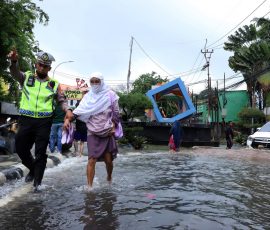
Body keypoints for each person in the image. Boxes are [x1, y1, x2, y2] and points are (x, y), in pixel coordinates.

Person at [8, 50, 73, 191]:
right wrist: (14, 62)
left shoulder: (54, 84)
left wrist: (68, 110)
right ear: (36, 64)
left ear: (49, 68)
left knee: (40, 153)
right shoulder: (26, 77)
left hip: (44, 122)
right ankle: (33, 168)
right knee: (20, 148)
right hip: (26, 120)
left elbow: (61, 100)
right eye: (40, 64)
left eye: (45, 66)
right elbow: (14, 73)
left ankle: (37, 184)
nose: (42, 67)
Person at [64, 72, 120, 187]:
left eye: (97, 81)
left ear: (101, 81)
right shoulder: (88, 96)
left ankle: (109, 177)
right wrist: (67, 120)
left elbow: (116, 113)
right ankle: (89, 187)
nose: (95, 84)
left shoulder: (111, 95)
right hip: (92, 131)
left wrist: (114, 126)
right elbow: (78, 111)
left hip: (107, 131)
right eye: (92, 81)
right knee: (91, 159)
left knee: (108, 160)